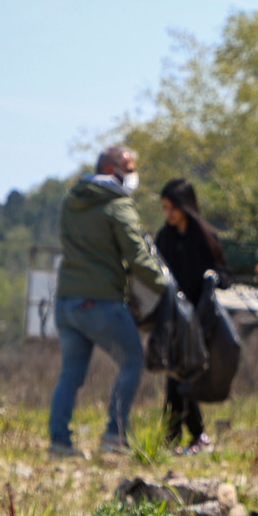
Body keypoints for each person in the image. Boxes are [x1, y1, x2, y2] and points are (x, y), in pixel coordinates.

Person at [49, 145, 163, 458]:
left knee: (71, 373)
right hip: (99, 303)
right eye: (129, 166)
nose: (133, 173)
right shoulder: (118, 205)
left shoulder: (72, 201)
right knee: (132, 360)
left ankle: (59, 442)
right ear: (112, 170)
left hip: (66, 303)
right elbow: (137, 255)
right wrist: (164, 288)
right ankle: (115, 435)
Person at [154, 178, 226, 454]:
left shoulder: (206, 239)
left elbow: (226, 276)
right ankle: (191, 436)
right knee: (177, 377)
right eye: (164, 208)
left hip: (200, 321)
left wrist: (213, 279)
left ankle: (183, 437)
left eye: (173, 207)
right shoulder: (164, 238)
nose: (168, 213)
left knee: (183, 377)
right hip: (173, 320)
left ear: (186, 207)